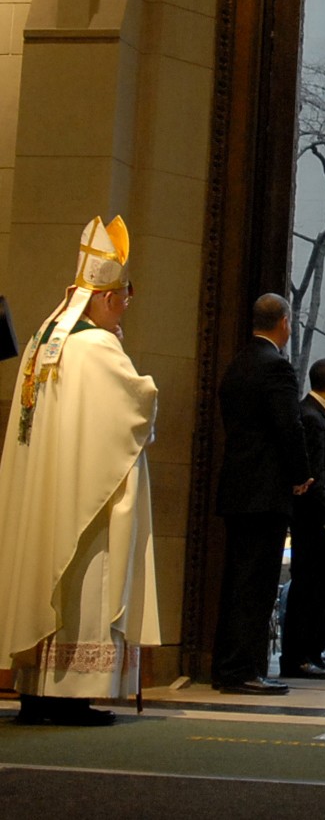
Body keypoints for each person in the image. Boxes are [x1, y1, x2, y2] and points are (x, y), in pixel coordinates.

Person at [0, 216, 160, 725]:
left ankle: (36, 692)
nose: (125, 309)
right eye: (124, 299)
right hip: (86, 500)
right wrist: (152, 392)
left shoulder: (42, 343)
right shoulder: (95, 346)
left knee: (49, 580)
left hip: (45, 494)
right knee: (87, 579)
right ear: (107, 297)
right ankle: (71, 695)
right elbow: (136, 407)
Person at [212, 293, 312, 695]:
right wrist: (301, 474)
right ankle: (245, 670)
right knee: (256, 586)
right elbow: (289, 427)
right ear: (284, 323)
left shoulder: (236, 364)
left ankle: (227, 667)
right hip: (265, 493)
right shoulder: (276, 369)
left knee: (236, 581)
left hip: (237, 487)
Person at [280, 359, 325, 679]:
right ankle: (296, 657)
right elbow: (315, 477)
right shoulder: (310, 416)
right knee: (307, 590)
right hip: (314, 522)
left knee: (323, 589)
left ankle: (313, 651)